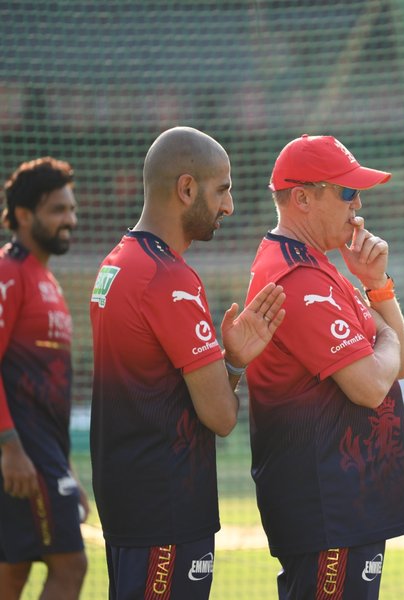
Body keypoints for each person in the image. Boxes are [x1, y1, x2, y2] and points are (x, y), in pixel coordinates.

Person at [89, 126, 286, 599]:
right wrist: (234, 365)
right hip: (167, 512)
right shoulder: (169, 278)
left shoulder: (116, 262)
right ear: (186, 188)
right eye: (223, 190)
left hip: (127, 505)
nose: (229, 207)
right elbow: (220, 416)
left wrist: (229, 361)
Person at [246, 134, 404, 599]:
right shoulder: (298, 277)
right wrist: (383, 337)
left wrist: (377, 284)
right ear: (302, 198)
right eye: (346, 192)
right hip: (329, 511)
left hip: (346, 505)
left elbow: (398, 364)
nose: (357, 203)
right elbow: (369, 384)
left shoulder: (319, 267)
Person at [0, 157, 87, 599]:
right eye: (58, 210)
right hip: (20, 454)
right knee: (70, 567)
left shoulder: (45, 279)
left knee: (11, 572)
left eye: (71, 209)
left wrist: (68, 469)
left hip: (43, 453)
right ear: (23, 215)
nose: (69, 220)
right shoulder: (8, 272)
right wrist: (10, 446)